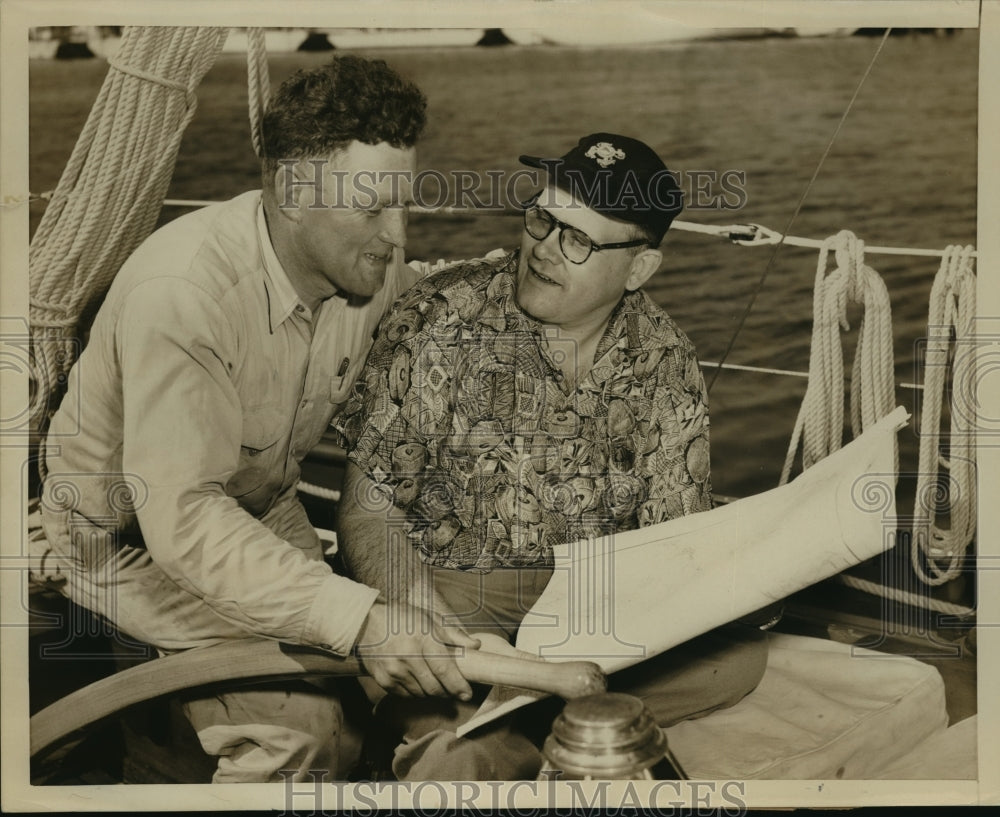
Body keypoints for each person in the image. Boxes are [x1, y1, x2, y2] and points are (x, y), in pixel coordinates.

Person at [36, 55, 480, 783]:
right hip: (124, 538)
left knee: (390, 692)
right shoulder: (184, 295)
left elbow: (427, 298)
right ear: (294, 192)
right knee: (304, 734)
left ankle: (177, 742)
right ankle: (169, 754)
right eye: (374, 208)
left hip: (258, 503)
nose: (397, 235)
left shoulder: (359, 269)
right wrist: (364, 618)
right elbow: (182, 519)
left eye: (405, 202)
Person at [335, 133, 769, 780]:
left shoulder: (667, 360)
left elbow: (670, 546)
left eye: (580, 240)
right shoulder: (440, 318)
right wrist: (432, 629)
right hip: (456, 591)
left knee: (739, 655)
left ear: (640, 268)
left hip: (590, 605)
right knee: (463, 758)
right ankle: (532, 711)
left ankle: (532, 708)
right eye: (543, 218)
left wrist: (743, 576)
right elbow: (367, 515)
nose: (543, 249)